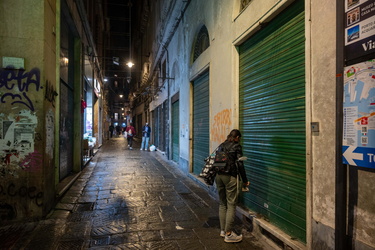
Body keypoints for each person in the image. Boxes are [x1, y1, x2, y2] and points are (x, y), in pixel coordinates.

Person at [215, 129, 250, 243]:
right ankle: (229, 234)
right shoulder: (236, 146)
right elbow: (240, 164)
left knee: (222, 203)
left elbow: (218, 162)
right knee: (231, 204)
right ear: (237, 138)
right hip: (229, 177)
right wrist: (245, 180)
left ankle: (222, 230)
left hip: (218, 176)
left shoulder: (222, 145)